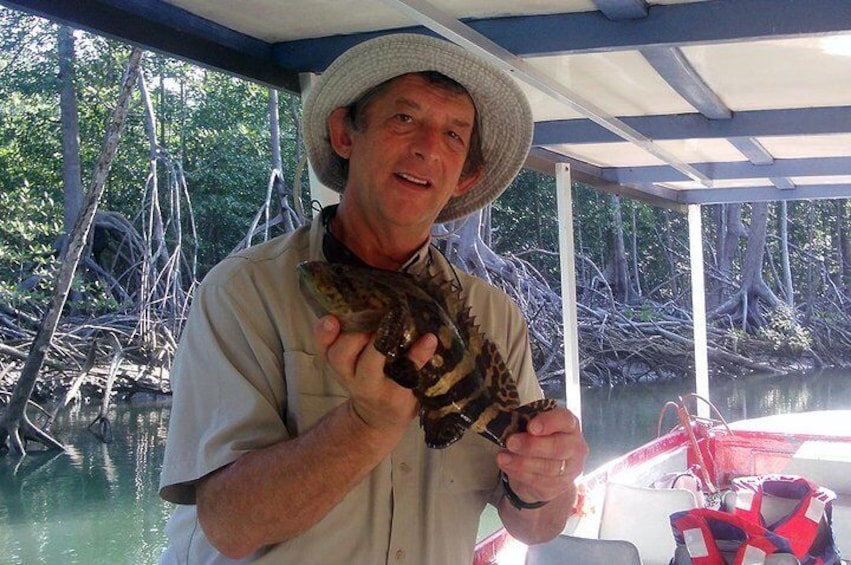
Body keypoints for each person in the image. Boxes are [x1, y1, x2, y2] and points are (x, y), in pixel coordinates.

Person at [158, 33, 588, 564]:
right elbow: (228, 525)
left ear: (465, 176)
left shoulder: (495, 317)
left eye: (454, 134)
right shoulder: (244, 293)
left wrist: (545, 481)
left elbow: (536, 528)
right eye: (403, 119)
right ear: (345, 133)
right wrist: (365, 425)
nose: (428, 147)